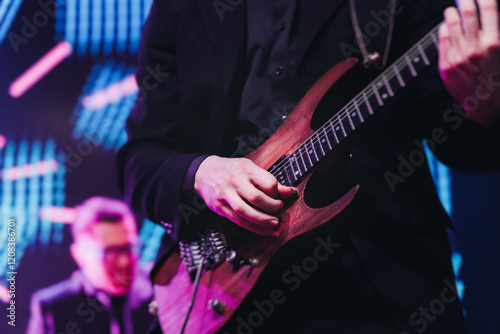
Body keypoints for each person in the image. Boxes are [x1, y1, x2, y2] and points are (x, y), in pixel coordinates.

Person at [116, 0, 500, 333]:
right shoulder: (180, 7)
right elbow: (140, 159)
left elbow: (462, 144)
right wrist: (202, 174)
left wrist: (481, 103)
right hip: (221, 283)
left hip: (376, 278)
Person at [26, 197, 154, 334]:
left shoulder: (160, 285)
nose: (124, 261)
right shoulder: (53, 308)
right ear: (79, 255)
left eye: (128, 247)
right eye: (110, 252)